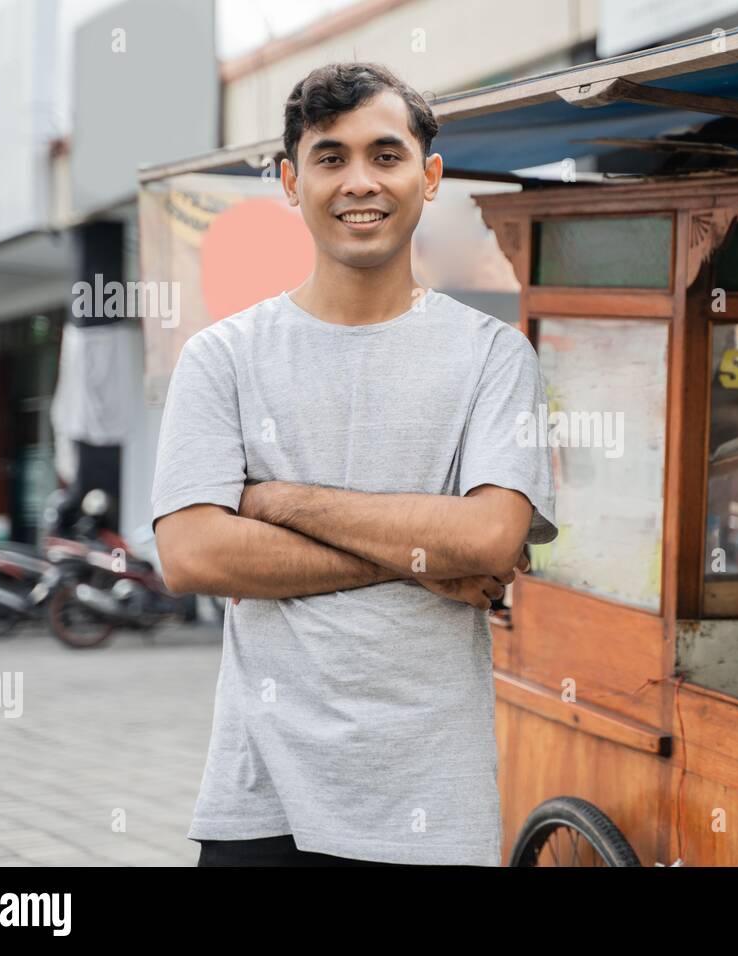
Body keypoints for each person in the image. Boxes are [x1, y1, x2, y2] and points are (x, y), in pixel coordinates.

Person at [150, 62, 558, 867]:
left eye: (385, 154)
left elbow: (486, 540)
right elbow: (193, 554)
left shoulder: (493, 357)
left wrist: (274, 500)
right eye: (331, 158)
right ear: (289, 182)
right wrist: (421, 560)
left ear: (429, 176)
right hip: (260, 799)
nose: (359, 182)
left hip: (430, 805)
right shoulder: (222, 358)